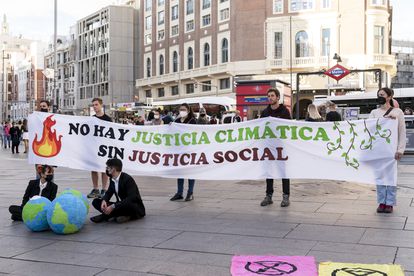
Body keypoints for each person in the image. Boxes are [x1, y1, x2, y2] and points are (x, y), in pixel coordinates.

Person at [370, 88, 406, 214]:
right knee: (380, 177)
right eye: (378, 95)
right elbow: (369, 129)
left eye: (382, 95)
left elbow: (402, 132)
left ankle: (389, 203)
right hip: (378, 150)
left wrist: (400, 149)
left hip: (391, 150)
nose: (380, 96)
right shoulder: (374, 112)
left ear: (390, 97)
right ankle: (381, 202)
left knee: (390, 177)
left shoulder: (398, 112)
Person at [260, 88, 292, 208]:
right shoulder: (265, 112)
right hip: (268, 146)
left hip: (281, 147)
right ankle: (269, 196)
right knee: (269, 172)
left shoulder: (284, 111)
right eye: (268, 96)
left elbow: (289, 128)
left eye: (272, 96)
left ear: (278, 97)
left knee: (284, 171)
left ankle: (285, 196)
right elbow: (260, 128)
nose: (270, 98)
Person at [90, 158, 146, 223]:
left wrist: (113, 206)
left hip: (133, 206)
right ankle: (121, 215)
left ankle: (104, 216)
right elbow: (109, 192)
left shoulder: (128, 179)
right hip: (120, 205)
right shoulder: (112, 179)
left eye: (108, 167)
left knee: (125, 205)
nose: (106, 169)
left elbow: (131, 198)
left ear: (113, 168)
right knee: (96, 202)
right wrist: (104, 200)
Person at [170, 103, 197, 202]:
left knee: (190, 172)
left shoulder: (192, 121)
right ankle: (179, 192)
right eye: (180, 109)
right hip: (178, 150)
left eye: (184, 109)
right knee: (180, 171)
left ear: (188, 111)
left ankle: (190, 192)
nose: (182, 111)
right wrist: (170, 126)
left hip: (189, 150)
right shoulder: (176, 121)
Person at [88, 98, 112, 199]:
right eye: (93, 105)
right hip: (94, 147)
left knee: (104, 169)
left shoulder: (108, 119)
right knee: (93, 168)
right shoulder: (91, 119)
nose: (94, 107)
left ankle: (104, 190)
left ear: (101, 105)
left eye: (96, 104)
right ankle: (95, 189)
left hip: (104, 148)